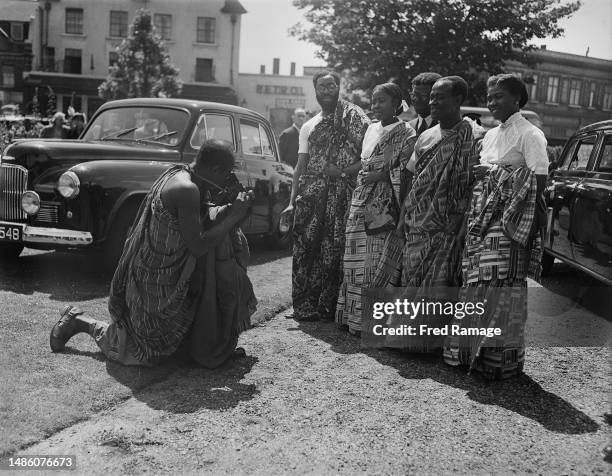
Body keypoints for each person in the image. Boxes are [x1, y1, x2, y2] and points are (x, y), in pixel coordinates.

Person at [49, 139, 257, 368]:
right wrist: (235, 215)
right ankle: (80, 321)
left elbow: (198, 221)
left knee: (178, 350)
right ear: (215, 169)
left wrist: (225, 208)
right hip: (156, 281)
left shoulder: (183, 174)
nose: (225, 182)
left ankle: (207, 346)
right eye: (225, 175)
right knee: (144, 352)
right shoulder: (186, 189)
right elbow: (197, 245)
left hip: (173, 275)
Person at [443, 74, 548, 379]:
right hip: (480, 216)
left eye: (499, 96)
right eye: (489, 97)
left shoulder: (530, 134)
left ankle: (498, 361)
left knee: (499, 283)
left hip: (510, 220)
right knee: (475, 283)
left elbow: (538, 182)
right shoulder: (489, 135)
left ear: (518, 99)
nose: (492, 102)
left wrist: (492, 172)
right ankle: (469, 355)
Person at [385, 76, 485, 352]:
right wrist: (404, 213)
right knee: (410, 277)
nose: (433, 102)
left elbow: (476, 184)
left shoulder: (475, 137)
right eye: (431, 97)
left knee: (441, 282)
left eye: (440, 97)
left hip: (450, 224)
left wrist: (463, 218)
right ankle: (404, 337)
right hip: (419, 220)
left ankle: (429, 343)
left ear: (458, 101)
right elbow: (414, 179)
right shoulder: (426, 137)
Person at [282, 70, 370, 322]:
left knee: (336, 248)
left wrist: (341, 173)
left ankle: (333, 305)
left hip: (344, 195)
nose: (327, 90)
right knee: (306, 248)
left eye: (332, 85)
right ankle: (306, 303)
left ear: (338, 88)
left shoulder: (355, 117)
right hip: (311, 196)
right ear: (316, 90)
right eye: (322, 86)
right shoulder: (309, 126)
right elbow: (300, 166)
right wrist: (291, 203)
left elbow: (367, 159)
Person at [335, 83, 416, 335]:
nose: (376, 106)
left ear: (396, 103)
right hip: (360, 200)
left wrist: (380, 176)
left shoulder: (407, 132)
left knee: (374, 260)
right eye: (374, 100)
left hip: (384, 204)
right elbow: (364, 162)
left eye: (381, 101)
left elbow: (406, 172)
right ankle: (352, 318)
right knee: (353, 260)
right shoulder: (370, 129)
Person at [407, 72, 442, 137]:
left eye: (423, 96)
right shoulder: (408, 128)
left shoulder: (445, 128)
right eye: (414, 95)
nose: (416, 99)